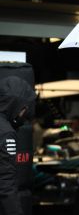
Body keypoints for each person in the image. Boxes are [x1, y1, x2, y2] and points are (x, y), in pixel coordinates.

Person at [0, 76, 35, 215]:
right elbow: (5, 183)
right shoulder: (6, 132)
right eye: (24, 108)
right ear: (15, 104)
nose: (24, 113)